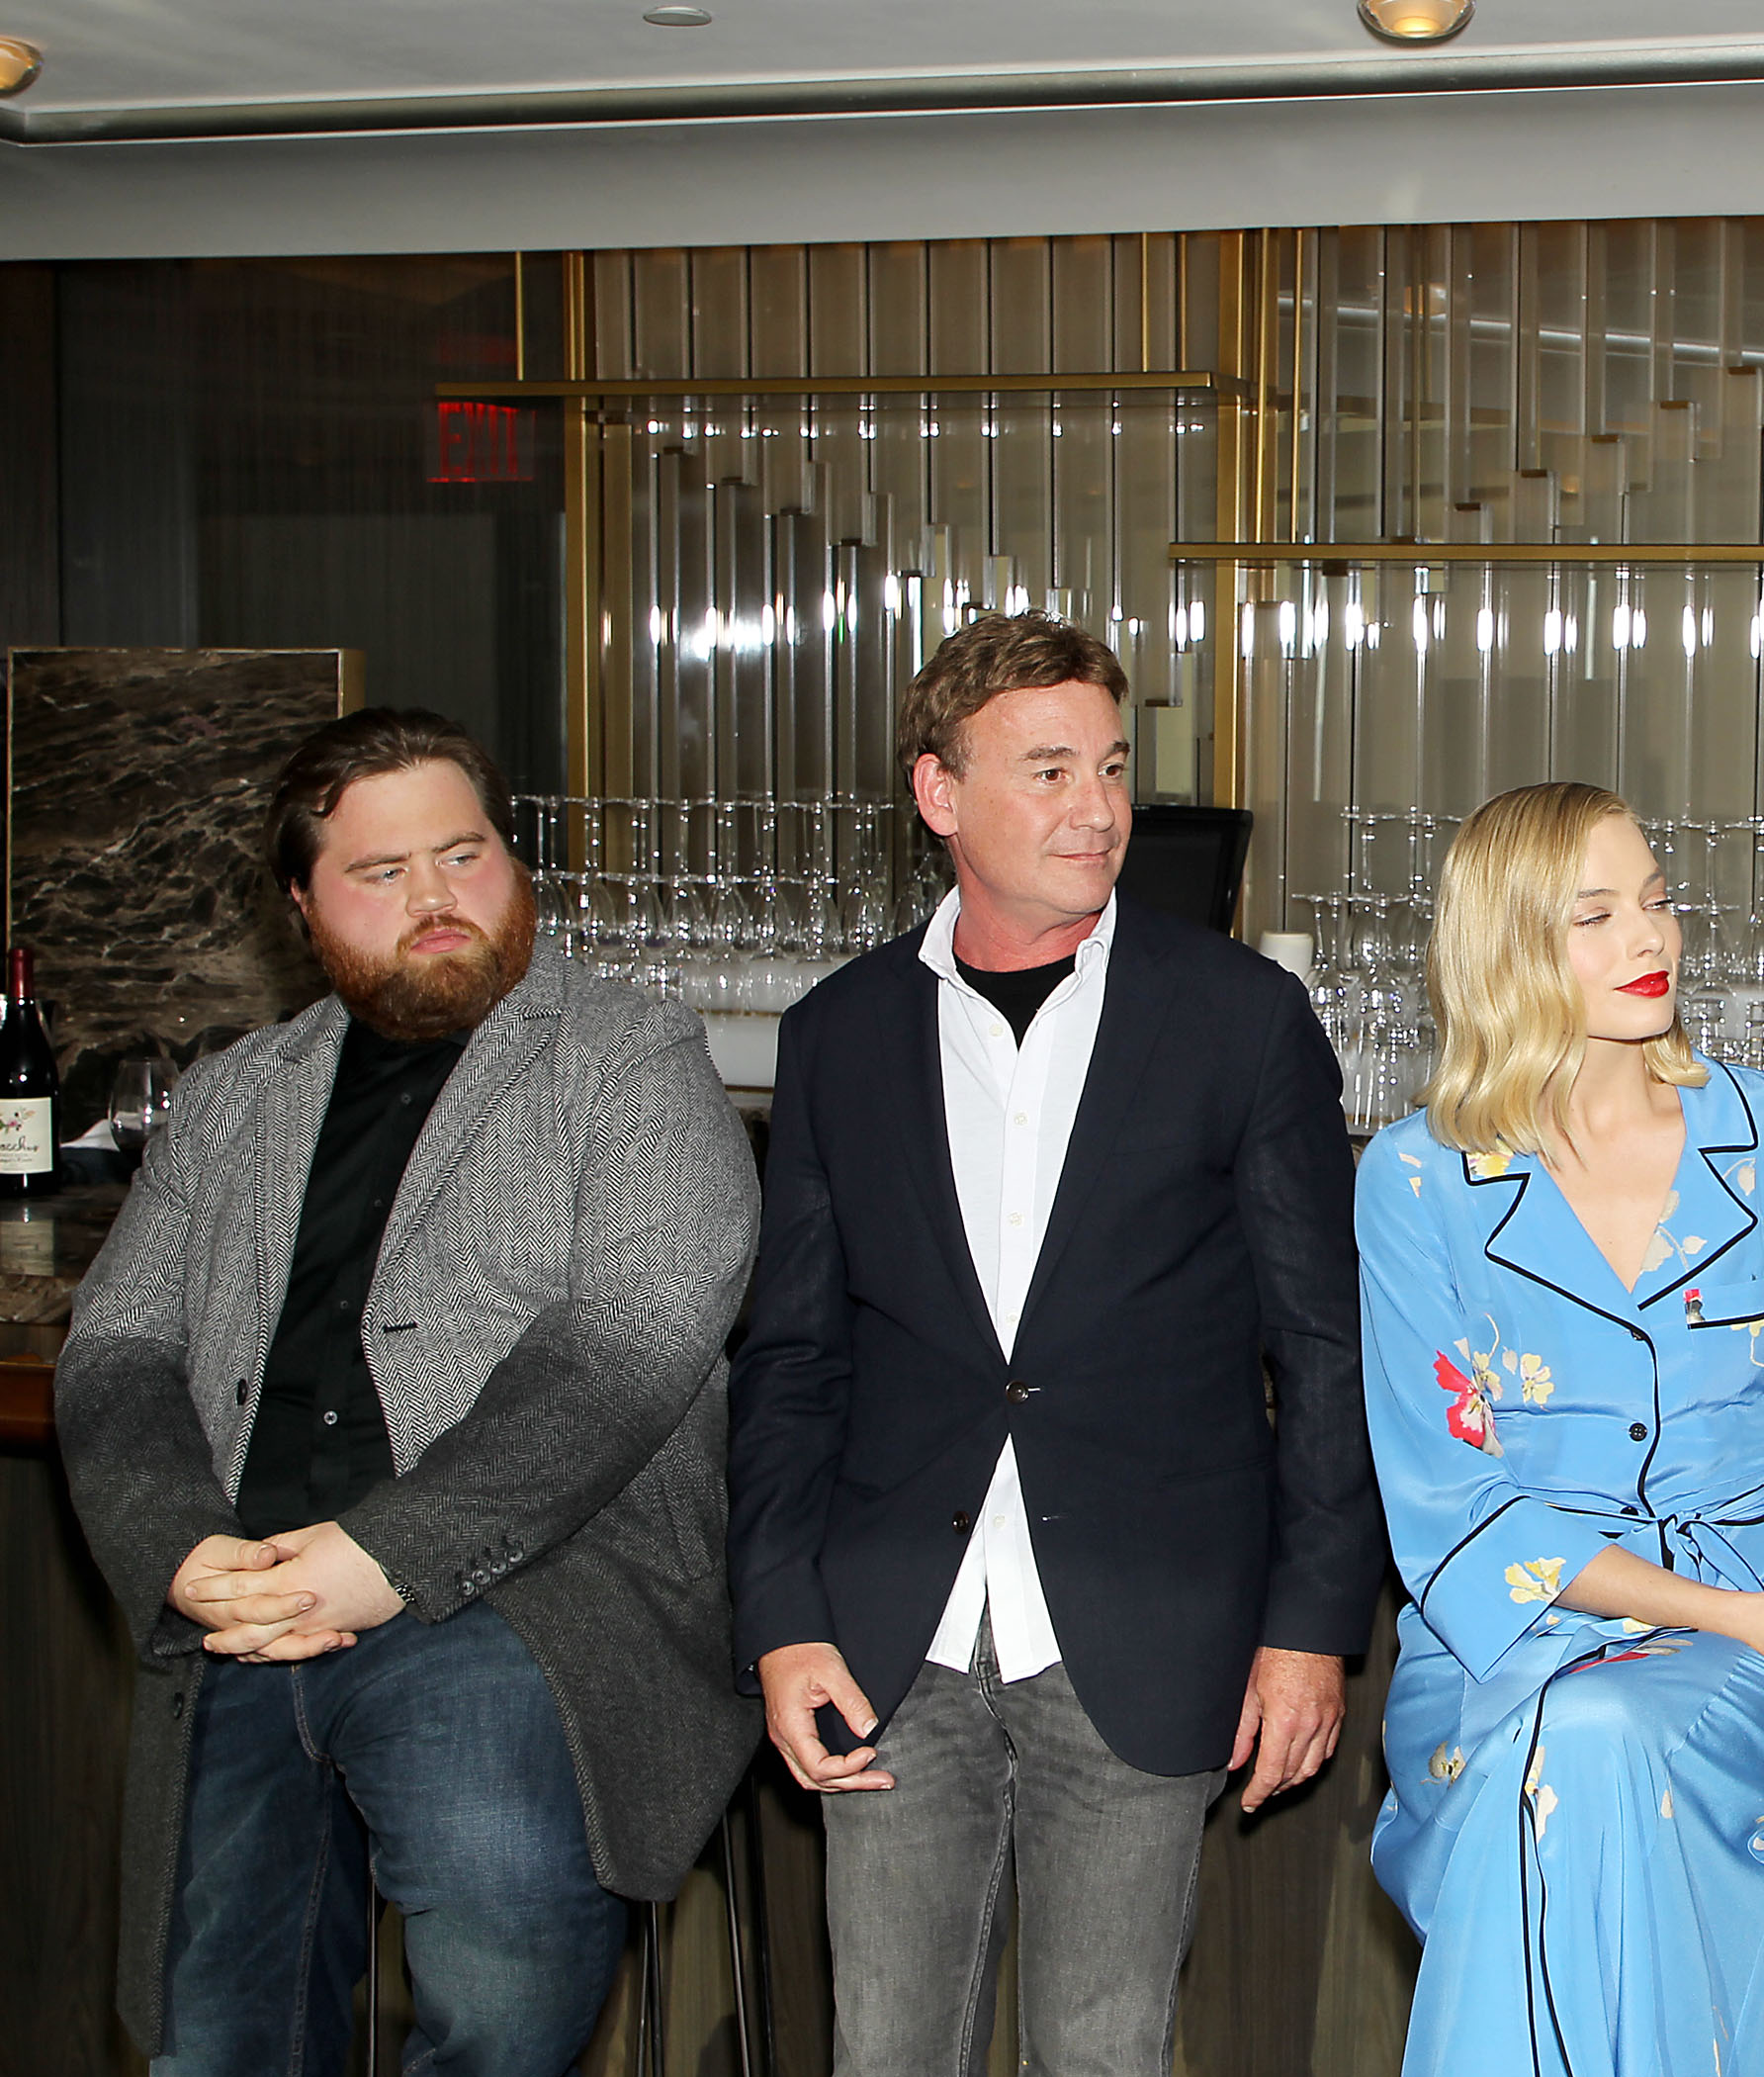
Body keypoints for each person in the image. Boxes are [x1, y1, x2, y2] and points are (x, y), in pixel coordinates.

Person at [55, 708, 761, 2071]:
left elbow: (629, 1342)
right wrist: (181, 1551)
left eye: (465, 854)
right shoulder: (233, 1098)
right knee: (218, 2042)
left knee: (497, 2016)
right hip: (253, 1598)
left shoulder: (632, 1059)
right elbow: (118, 1347)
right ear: (302, 908)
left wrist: (389, 1556)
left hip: (525, 1599)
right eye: (383, 873)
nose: (437, 898)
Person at [727, 612, 1382, 2075]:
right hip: (890, 1631)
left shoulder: (1240, 1020)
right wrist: (780, 1618)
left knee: (1100, 2053)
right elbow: (791, 1358)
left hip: (1149, 1622)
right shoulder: (839, 1033)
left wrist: (1309, 1629)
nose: (1098, 808)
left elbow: (1324, 1348)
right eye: (1048, 771)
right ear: (939, 793)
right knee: (885, 2053)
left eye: (1112, 767)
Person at [1356, 781, 1764, 2077]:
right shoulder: (1416, 1178)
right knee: (1570, 1747)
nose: (1649, 940)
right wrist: (1744, 1614)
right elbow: (1458, 1515)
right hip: (1505, 1655)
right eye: (1594, 916)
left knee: (1590, 1750)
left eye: (1655, 901)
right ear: (1508, 945)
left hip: (1740, 1655)